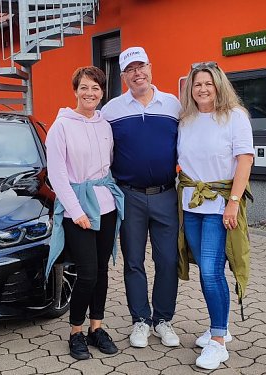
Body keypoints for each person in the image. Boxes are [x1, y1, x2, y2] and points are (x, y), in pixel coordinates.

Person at [176, 61, 254, 370]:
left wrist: (234, 202)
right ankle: (217, 324)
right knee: (206, 270)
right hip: (191, 205)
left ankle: (219, 340)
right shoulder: (186, 119)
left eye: (208, 83)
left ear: (219, 85)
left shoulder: (235, 117)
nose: (203, 88)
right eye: (197, 84)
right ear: (190, 89)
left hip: (220, 206)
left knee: (210, 270)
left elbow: (245, 160)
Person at [102, 47, 182, 348]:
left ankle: (163, 320)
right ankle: (140, 320)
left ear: (151, 67)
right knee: (133, 261)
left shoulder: (173, 106)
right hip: (129, 196)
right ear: (124, 76)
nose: (138, 73)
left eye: (142, 66)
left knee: (168, 260)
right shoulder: (111, 111)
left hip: (165, 195)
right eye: (131, 69)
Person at [45, 66, 125, 360]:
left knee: (102, 271)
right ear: (75, 90)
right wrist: (75, 210)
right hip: (77, 209)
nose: (90, 93)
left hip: (106, 206)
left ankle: (96, 328)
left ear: (102, 92)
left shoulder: (105, 125)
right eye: (84, 87)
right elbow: (57, 174)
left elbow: (110, 163)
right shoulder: (61, 126)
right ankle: (75, 332)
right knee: (87, 273)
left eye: (96, 88)